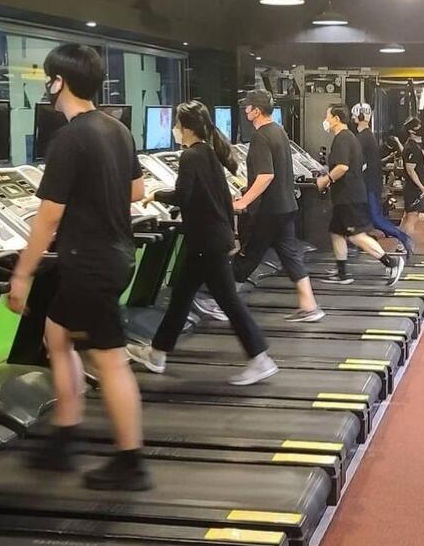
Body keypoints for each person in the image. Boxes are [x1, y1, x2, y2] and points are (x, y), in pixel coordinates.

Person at [8, 44, 149, 490]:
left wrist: (22, 274)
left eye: (48, 78)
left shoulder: (70, 139)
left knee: (110, 361)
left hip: (89, 263)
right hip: (116, 255)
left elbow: (48, 217)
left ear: (59, 82)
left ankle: (131, 462)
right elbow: (136, 190)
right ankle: (66, 435)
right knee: (56, 333)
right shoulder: (116, 129)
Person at [128, 102, 279, 385]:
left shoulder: (191, 156)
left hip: (206, 243)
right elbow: (217, 197)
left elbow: (183, 196)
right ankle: (157, 353)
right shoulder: (208, 152)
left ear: (186, 128)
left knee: (227, 301)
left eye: (176, 125)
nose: (175, 130)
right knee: (181, 296)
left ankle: (260, 358)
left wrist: (154, 195)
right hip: (210, 239)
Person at [231, 90, 324, 322]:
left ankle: (220, 301)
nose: (245, 110)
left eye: (248, 106)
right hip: (285, 206)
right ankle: (310, 306)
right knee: (290, 256)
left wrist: (243, 201)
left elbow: (265, 175)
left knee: (248, 255)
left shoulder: (260, 136)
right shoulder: (279, 131)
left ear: (256, 111)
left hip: (268, 209)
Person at [317, 106, 406, 285]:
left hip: (349, 197)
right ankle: (342, 273)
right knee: (336, 232)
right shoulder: (348, 137)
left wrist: (325, 180)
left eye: (327, 116)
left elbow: (342, 167)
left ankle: (391, 262)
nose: (325, 120)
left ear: (336, 118)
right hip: (344, 197)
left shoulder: (343, 138)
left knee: (356, 235)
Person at [353, 104, 413, 255]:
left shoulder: (362, 137)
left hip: (369, 184)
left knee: (376, 218)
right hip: (371, 183)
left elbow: (356, 160)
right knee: (366, 217)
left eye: (354, 116)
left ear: (359, 117)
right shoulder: (368, 136)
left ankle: (404, 238)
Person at [399, 116, 424, 241]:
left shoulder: (415, 146)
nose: (421, 129)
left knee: (407, 216)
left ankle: (401, 243)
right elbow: (410, 170)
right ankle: (405, 244)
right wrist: (421, 187)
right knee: (412, 217)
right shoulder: (411, 147)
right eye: (418, 127)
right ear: (411, 131)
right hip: (413, 189)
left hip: (414, 187)